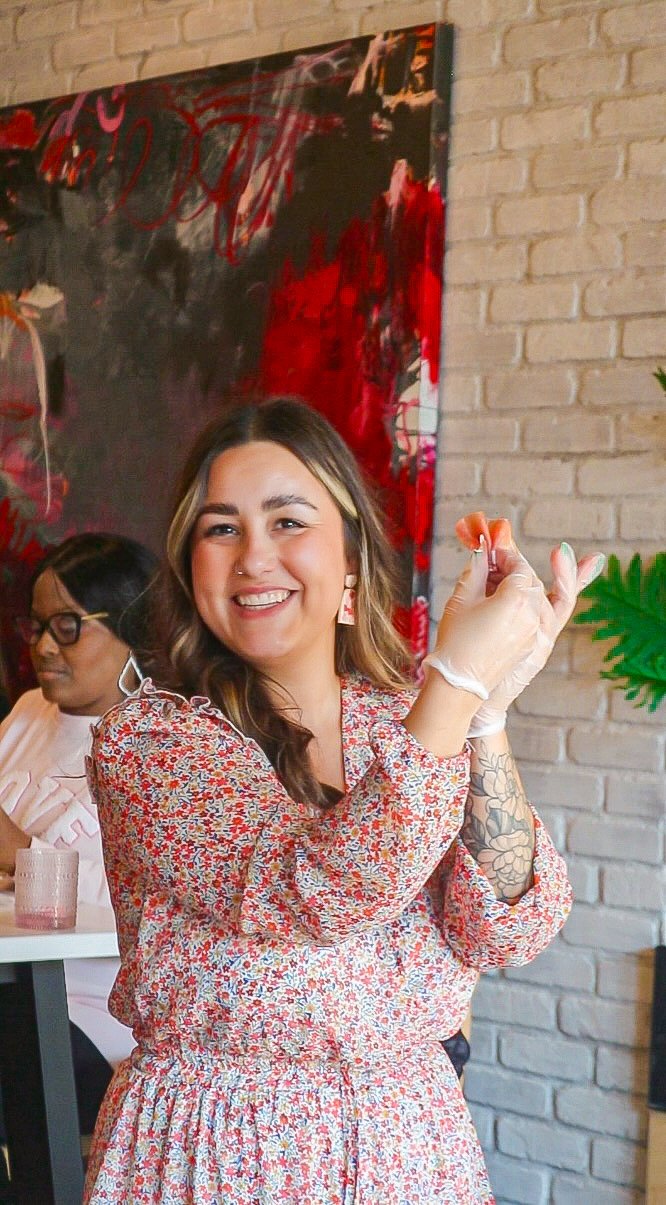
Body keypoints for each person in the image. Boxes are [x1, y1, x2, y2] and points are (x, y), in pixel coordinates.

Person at [84, 398, 604, 1204]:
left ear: (352, 564)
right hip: (218, 1147)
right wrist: (453, 687)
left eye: (288, 521)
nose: (254, 555)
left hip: (410, 1140)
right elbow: (315, 890)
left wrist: (487, 711)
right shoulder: (150, 743)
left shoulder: (402, 723)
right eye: (221, 529)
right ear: (192, 568)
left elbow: (505, 923)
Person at [0, 532, 158, 1133]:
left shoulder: (165, 745)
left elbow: (144, 902)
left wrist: (19, 854)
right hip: (14, 988)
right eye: (37, 625)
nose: (43, 646)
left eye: (68, 626)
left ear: (135, 628)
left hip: (98, 1016)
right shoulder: (27, 715)